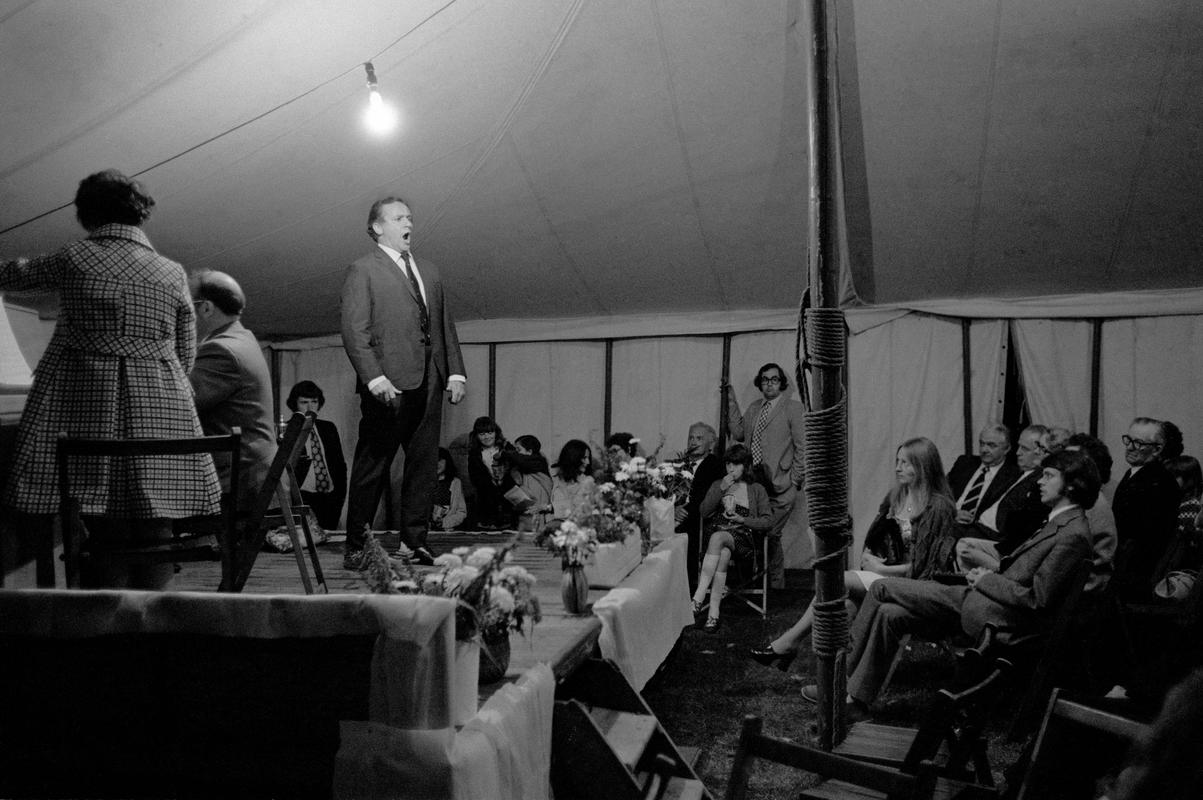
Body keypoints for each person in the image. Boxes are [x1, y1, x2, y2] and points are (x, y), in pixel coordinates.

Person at [0, 169, 221, 588]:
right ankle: (150, 622)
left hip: (90, 407)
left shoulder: (73, 258)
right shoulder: (172, 272)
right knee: (157, 520)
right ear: (138, 214)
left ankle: (105, 625)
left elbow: (12, 273)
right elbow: (186, 353)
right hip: (164, 413)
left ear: (88, 213)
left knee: (103, 520)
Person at [801, 449, 1099, 713]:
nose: (1039, 481)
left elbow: (1038, 599)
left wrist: (986, 580)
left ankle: (836, 688)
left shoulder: (1072, 535)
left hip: (994, 615)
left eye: (1048, 475)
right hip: (984, 601)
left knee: (879, 588)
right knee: (889, 613)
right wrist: (984, 580)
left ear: (1072, 484)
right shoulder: (1063, 523)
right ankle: (857, 700)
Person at [749, 436, 957, 670]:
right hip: (884, 577)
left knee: (838, 579)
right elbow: (876, 535)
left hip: (914, 585)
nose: (898, 468)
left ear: (924, 466)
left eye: (906, 463)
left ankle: (789, 643)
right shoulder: (896, 496)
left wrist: (881, 569)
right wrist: (869, 556)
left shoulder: (938, 507)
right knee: (847, 605)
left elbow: (927, 569)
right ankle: (840, 675)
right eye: (897, 461)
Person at [340, 196, 466, 568]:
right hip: (388, 385)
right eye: (398, 218)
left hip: (429, 380)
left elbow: (444, 324)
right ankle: (358, 547)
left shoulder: (429, 270)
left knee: (424, 466)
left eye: (409, 217)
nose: (408, 222)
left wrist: (455, 371)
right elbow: (353, 329)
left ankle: (414, 542)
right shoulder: (362, 269)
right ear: (378, 227)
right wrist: (373, 376)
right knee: (372, 466)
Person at [189, 270, 278, 510]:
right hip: (254, 474)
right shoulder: (242, 338)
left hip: (236, 482)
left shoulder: (221, 349)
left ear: (205, 308)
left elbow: (181, 405)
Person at [726, 362, 806, 589]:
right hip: (754, 483)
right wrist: (731, 400)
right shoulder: (753, 409)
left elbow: (804, 447)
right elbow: (739, 432)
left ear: (782, 383)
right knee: (760, 533)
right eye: (764, 380)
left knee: (771, 532)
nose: (769, 384)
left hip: (781, 484)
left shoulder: (793, 408)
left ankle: (775, 586)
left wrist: (795, 480)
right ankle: (763, 585)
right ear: (759, 384)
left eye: (774, 379)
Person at [690, 444, 774, 633]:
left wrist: (742, 519)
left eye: (736, 465)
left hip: (743, 537)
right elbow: (704, 512)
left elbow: (768, 521)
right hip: (718, 536)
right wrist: (720, 488)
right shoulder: (718, 484)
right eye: (728, 464)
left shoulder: (756, 488)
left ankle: (698, 597)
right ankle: (713, 614)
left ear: (746, 466)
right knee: (723, 553)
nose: (731, 469)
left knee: (718, 538)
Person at [955, 424, 1050, 570]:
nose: (1018, 453)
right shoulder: (1019, 474)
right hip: (975, 525)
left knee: (947, 537)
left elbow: (1021, 525)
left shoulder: (1038, 481)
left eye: (1024, 449)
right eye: (981, 443)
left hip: (993, 534)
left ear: (1042, 452)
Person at [1112, 417, 1181, 599]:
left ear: (1157, 449)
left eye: (1139, 443)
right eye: (1128, 440)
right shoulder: (1135, 474)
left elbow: (1142, 538)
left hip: (1136, 574)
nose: (1129, 447)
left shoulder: (1159, 482)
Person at [284, 380, 347, 530]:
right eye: (304, 402)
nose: (310, 407)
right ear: (295, 404)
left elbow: (339, 464)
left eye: (314, 401)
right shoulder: (287, 430)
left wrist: (339, 495)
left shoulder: (328, 428)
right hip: (302, 496)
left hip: (329, 496)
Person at [674, 422, 726, 592]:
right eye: (691, 438)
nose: (693, 442)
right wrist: (672, 510)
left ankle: (686, 591)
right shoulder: (677, 465)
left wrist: (683, 512)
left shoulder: (716, 465)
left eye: (699, 438)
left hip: (700, 520)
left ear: (711, 444)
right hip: (673, 516)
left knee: (687, 535)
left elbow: (707, 498)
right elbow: (665, 493)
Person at [947, 424, 1021, 529]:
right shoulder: (964, 463)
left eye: (991, 445)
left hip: (977, 530)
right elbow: (940, 493)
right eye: (982, 444)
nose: (984, 450)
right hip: (949, 520)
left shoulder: (1013, 476)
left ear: (1006, 448)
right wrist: (952, 513)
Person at [1152, 455, 1203, 594]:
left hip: (1176, 570)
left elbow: (1180, 541)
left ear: (1190, 480)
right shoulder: (1183, 503)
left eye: (1173, 477)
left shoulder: (1189, 506)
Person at [500, 434, 553, 531]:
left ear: (529, 452)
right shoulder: (519, 469)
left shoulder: (539, 462)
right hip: (525, 514)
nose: (516, 453)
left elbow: (520, 459)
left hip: (541, 513)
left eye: (518, 450)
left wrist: (504, 454)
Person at [467, 416, 509, 530]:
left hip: (509, 492)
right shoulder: (474, 454)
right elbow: (474, 477)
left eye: (490, 432)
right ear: (476, 436)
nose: (487, 437)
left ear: (496, 433)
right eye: (482, 434)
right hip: (486, 495)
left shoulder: (507, 448)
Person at [552, 439, 596, 519]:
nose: (588, 462)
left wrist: (550, 507)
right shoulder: (556, 480)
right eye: (584, 458)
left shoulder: (588, 482)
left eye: (588, 458)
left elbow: (578, 508)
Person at [430, 447, 467, 531]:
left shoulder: (455, 482)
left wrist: (445, 522)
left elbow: (461, 512)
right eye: (433, 460)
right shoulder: (423, 483)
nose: (436, 464)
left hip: (447, 530)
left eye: (439, 460)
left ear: (447, 461)